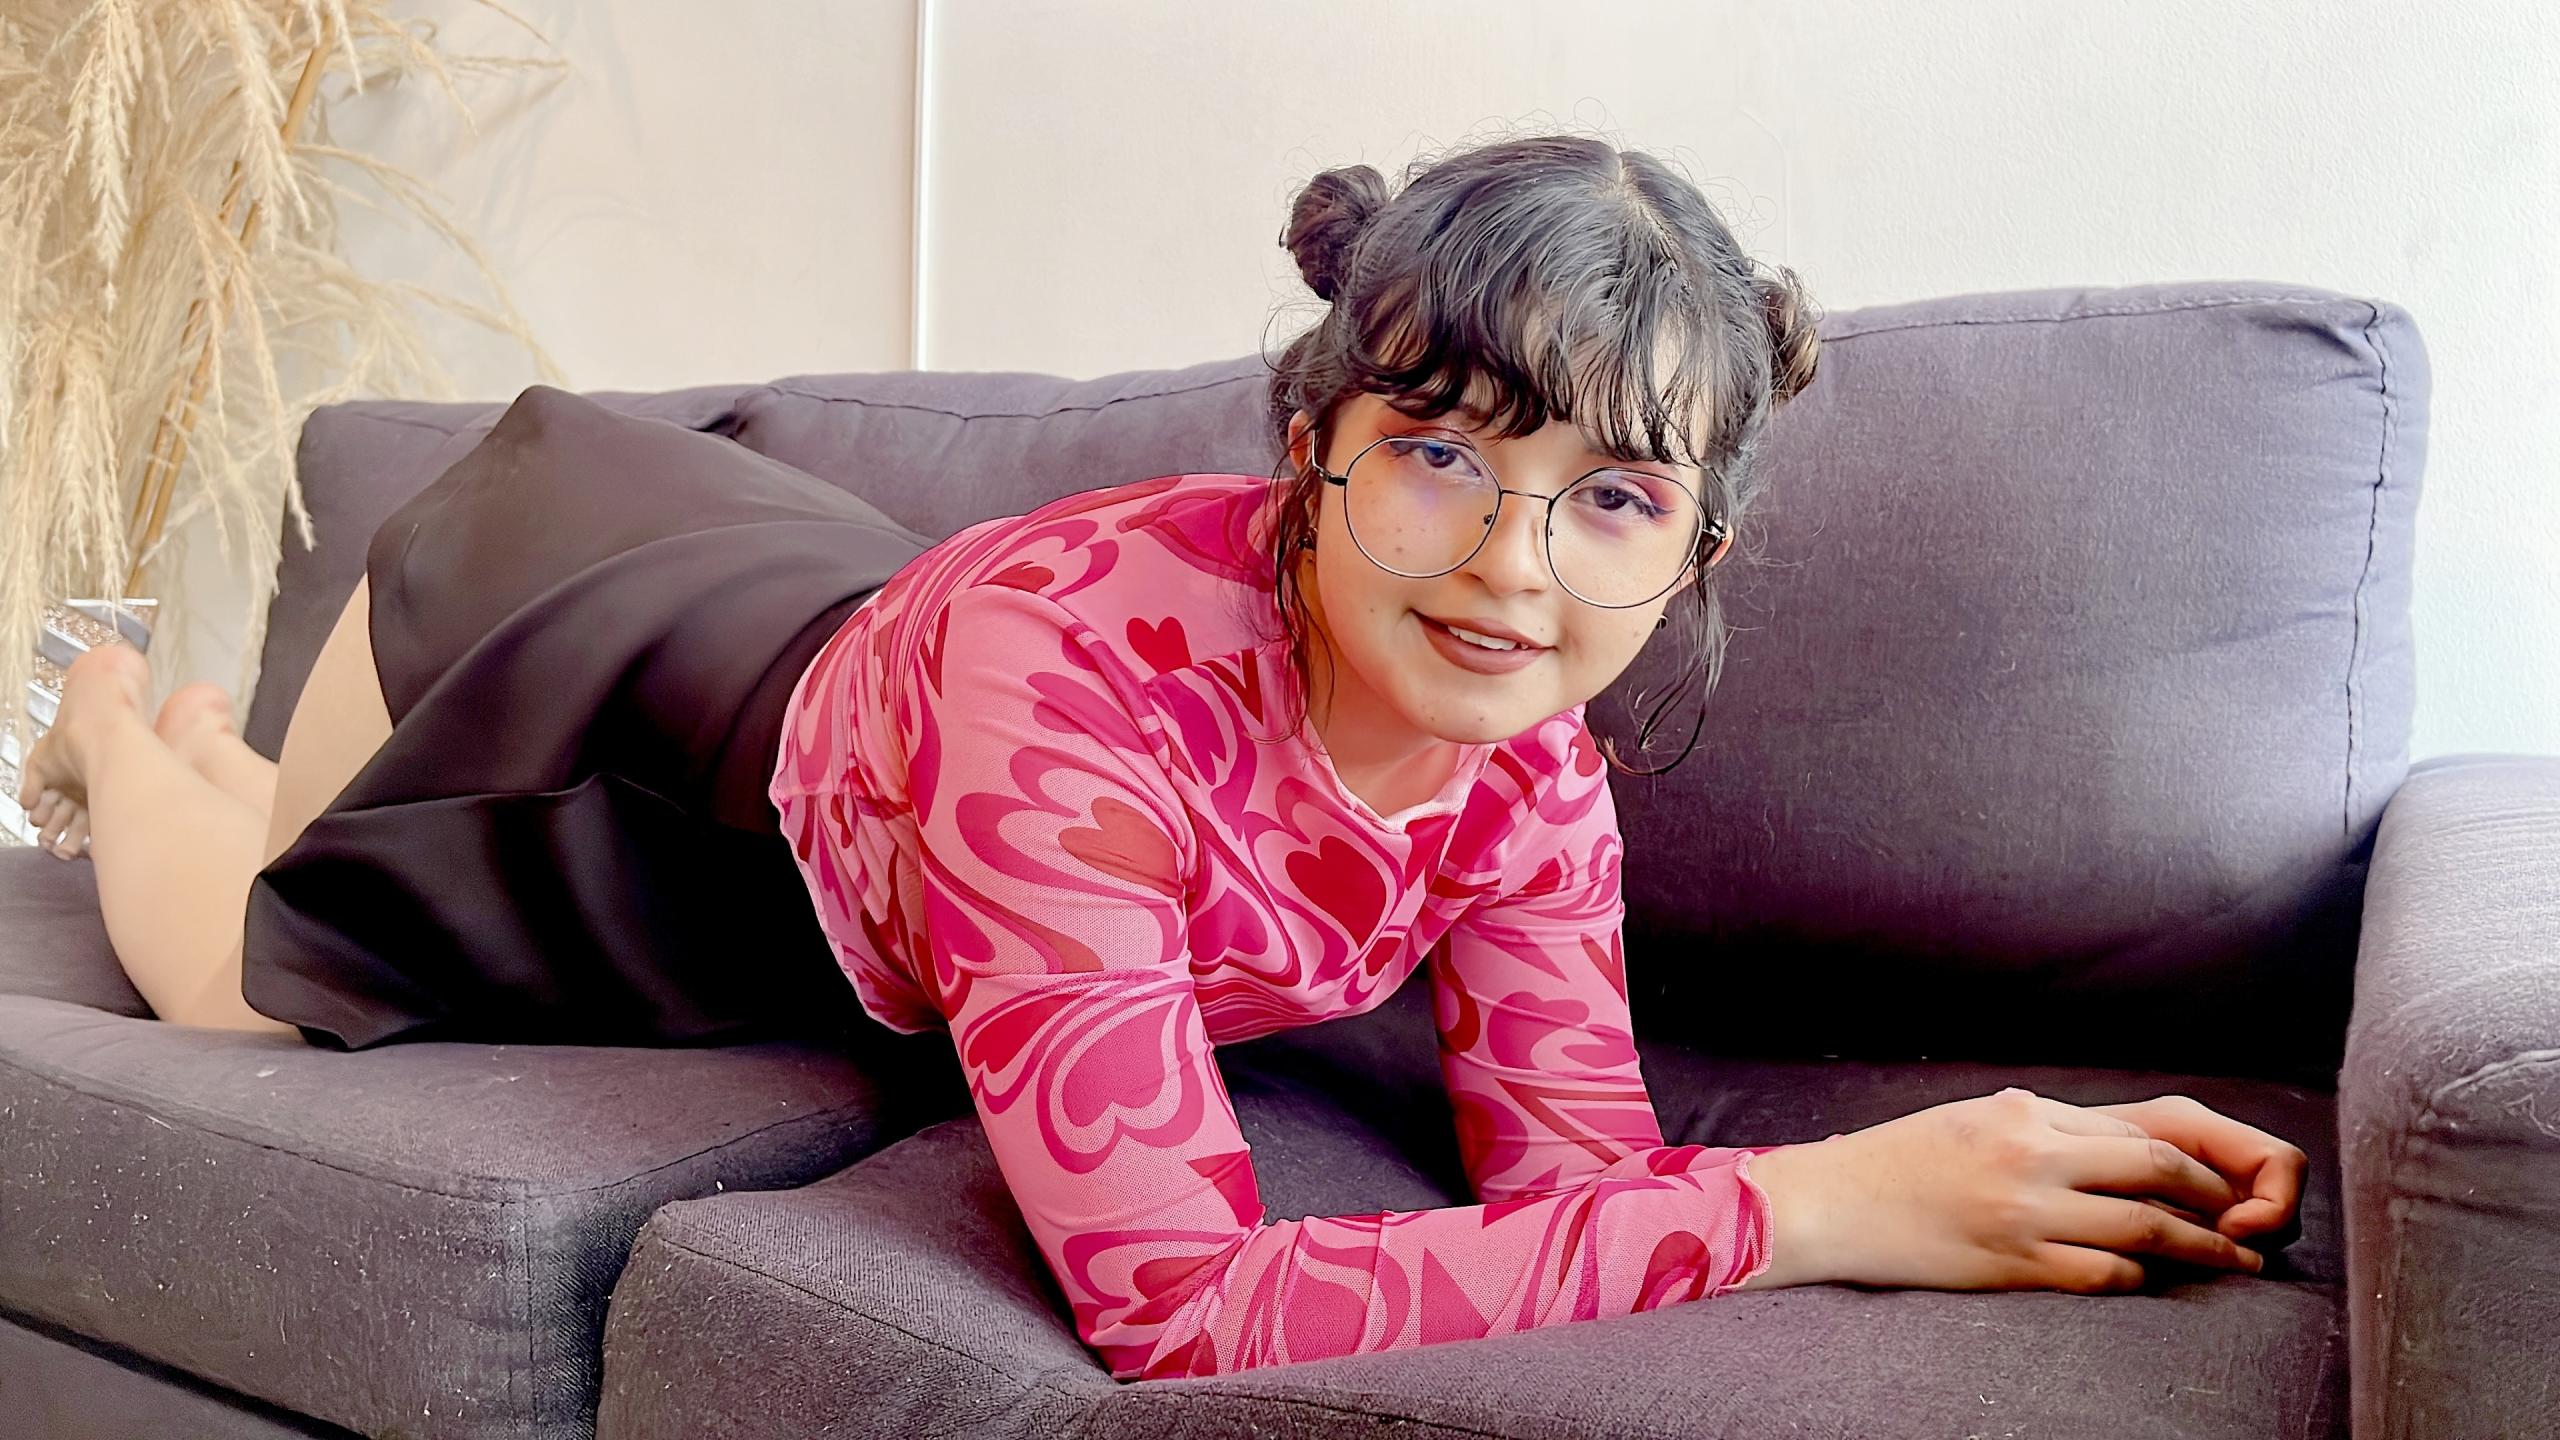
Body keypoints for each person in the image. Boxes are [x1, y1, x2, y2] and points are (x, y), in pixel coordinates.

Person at [12, 131, 2304, 1382]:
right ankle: (111, 719)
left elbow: (1568, 1190)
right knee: (241, 974)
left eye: (1609, 496)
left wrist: (1947, 1188)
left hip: (833, 625)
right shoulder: (1069, 708)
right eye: (1440, 451)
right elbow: (1176, 1304)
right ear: (1312, 443)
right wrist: (1815, 1203)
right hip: (583, 664)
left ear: (1691, 542)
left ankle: (184, 732)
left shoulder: (1528, 764)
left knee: (271, 835)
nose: (1512, 569)